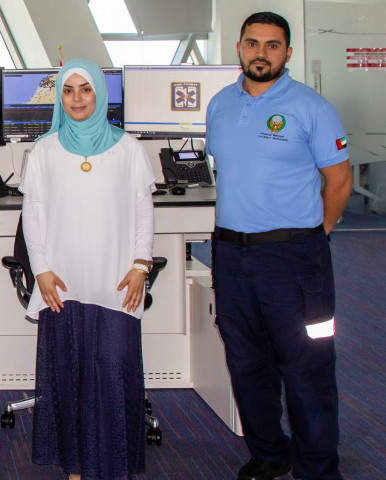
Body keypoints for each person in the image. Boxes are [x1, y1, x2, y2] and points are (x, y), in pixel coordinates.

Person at [206, 11, 352, 480]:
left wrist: (317, 234)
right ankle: (270, 452)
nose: (261, 53)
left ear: (288, 53)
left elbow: (339, 181)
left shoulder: (312, 107)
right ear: (239, 48)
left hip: (294, 258)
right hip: (231, 255)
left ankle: (317, 467)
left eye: (272, 46)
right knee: (246, 361)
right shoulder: (220, 105)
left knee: (307, 366)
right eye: (252, 43)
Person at [19, 58, 155, 480]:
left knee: (112, 369)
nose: (76, 99)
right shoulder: (44, 150)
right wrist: (41, 271)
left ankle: (111, 463)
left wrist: (141, 265)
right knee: (69, 375)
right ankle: (76, 464)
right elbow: (31, 215)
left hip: (117, 282)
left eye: (85, 89)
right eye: (68, 90)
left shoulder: (128, 148)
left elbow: (143, 211)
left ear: (100, 93)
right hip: (62, 283)